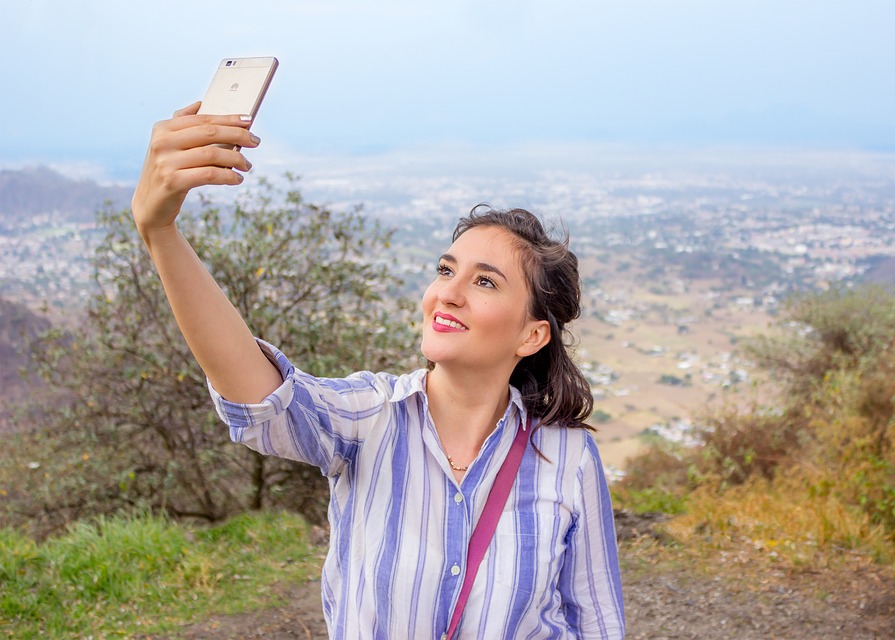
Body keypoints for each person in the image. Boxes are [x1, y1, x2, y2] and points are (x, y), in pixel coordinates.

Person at [132, 102, 626, 639]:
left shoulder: (569, 459)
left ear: (532, 335)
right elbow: (259, 397)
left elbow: (595, 624)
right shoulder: (369, 417)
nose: (447, 293)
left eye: (485, 282)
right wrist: (160, 231)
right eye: (445, 270)